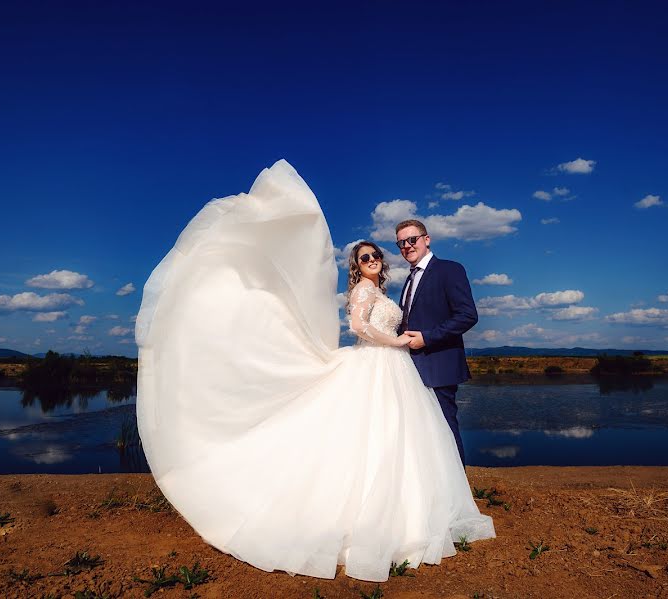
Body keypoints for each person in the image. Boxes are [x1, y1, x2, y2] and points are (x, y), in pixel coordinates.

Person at [135, 159, 494, 583]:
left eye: (395, 246)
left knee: (422, 436)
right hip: (389, 362)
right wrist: (399, 340)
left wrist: (417, 339)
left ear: (424, 239)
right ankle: (399, 511)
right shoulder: (367, 290)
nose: (388, 253)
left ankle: (434, 502)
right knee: (383, 438)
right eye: (372, 254)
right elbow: (359, 327)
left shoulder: (437, 273)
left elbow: (463, 314)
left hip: (413, 366)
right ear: (357, 266)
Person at [395, 219, 477, 464]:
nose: (407, 246)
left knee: (446, 432)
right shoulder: (409, 280)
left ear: (426, 239)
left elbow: (467, 315)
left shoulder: (449, 269)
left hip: (438, 366)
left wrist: (427, 339)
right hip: (411, 369)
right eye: (401, 243)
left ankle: (459, 495)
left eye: (412, 240)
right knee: (425, 435)